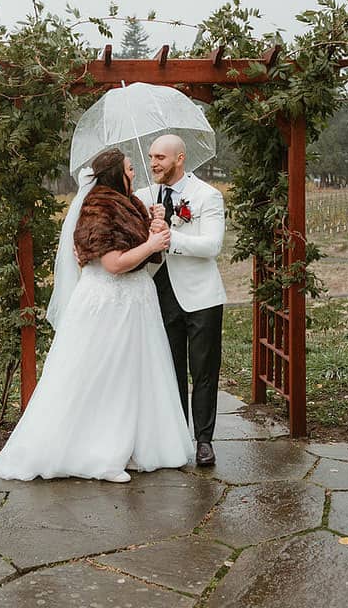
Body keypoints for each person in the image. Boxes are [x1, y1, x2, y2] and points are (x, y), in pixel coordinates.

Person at [0, 148, 194, 483]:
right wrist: (152, 245)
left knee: (134, 376)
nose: (135, 173)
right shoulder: (97, 208)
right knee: (104, 376)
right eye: (129, 168)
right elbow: (113, 265)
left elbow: (144, 257)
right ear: (115, 173)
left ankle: (135, 447)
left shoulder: (134, 204)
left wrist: (156, 227)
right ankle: (100, 453)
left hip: (137, 302)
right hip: (109, 304)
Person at [135, 134, 227, 467]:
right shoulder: (144, 197)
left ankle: (204, 441)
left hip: (201, 296)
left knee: (203, 371)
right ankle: (174, 440)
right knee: (169, 368)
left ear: (180, 159)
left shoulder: (207, 196)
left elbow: (212, 246)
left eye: (160, 157)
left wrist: (169, 236)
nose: (154, 163)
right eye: (150, 157)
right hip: (159, 293)